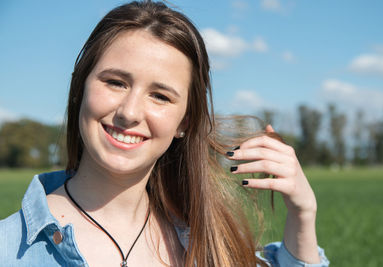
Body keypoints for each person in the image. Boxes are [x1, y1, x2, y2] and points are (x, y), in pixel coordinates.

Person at [0, 1, 329, 266]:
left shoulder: (210, 248)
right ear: (80, 88)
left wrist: (303, 216)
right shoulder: (8, 249)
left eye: (160, 95)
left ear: (185, 122)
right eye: (115, 82)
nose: (129, 112)